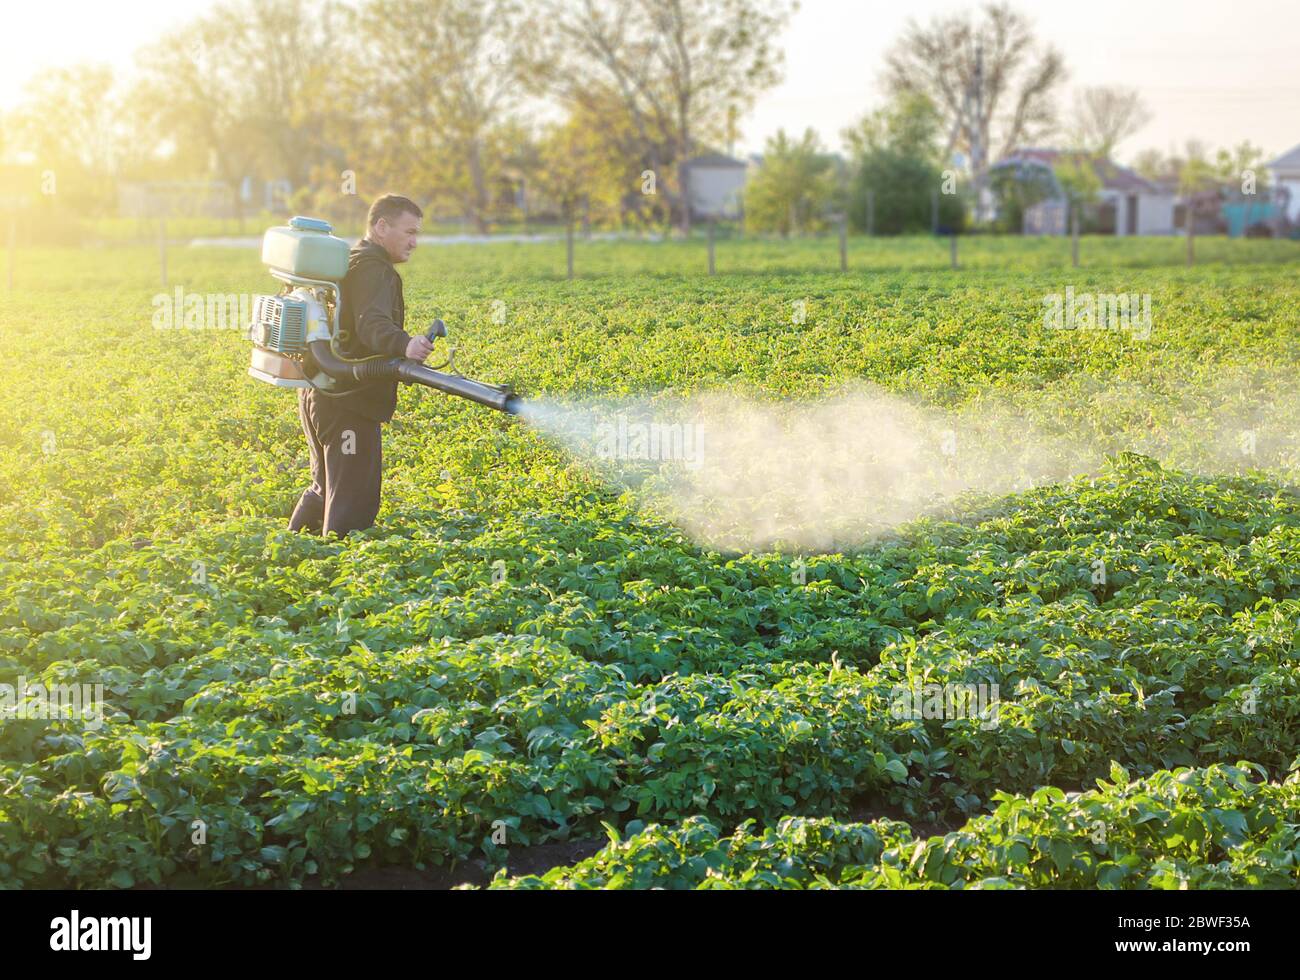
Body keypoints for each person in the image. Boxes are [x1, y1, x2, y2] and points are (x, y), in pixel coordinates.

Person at [289, 194, 433, 536]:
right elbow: (372, 324)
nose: (414, 242)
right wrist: (405, 344)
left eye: (418, 234)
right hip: (349, 404)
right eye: (409, 231)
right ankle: (333, 577)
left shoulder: (352, 259)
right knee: (352, 503)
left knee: (325, 490)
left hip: (320, 393)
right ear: (381, 226)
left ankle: (291, 554)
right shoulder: (374, 268)